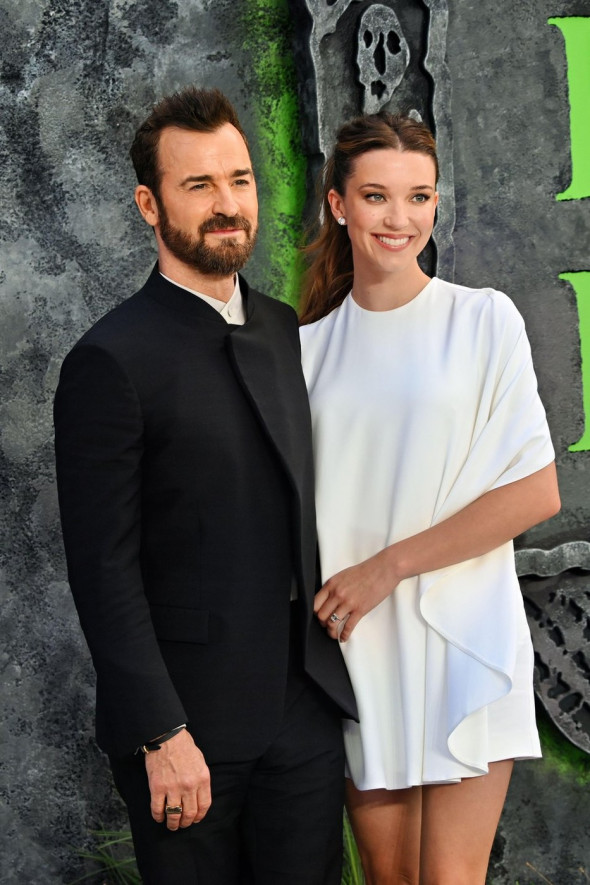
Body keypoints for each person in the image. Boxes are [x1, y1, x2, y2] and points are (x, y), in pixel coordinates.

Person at [54, 85, 357, 885]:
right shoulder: (109, 361)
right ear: (149, 206)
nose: (228, 205)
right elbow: (102, 570)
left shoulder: (284, 329)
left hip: (302, 713)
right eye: (199, 186)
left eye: (239, 179)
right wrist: (160, 733)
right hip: (186, 731)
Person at [299, 111, 560, 885]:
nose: (400, 218)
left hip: (462, 638)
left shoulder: (483, 321)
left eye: (419, 197)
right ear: (339, 204)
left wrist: (389, 566)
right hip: (359, 650)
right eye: (377, 196)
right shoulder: (303, 351)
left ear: (436, 203)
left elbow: (535, 490)